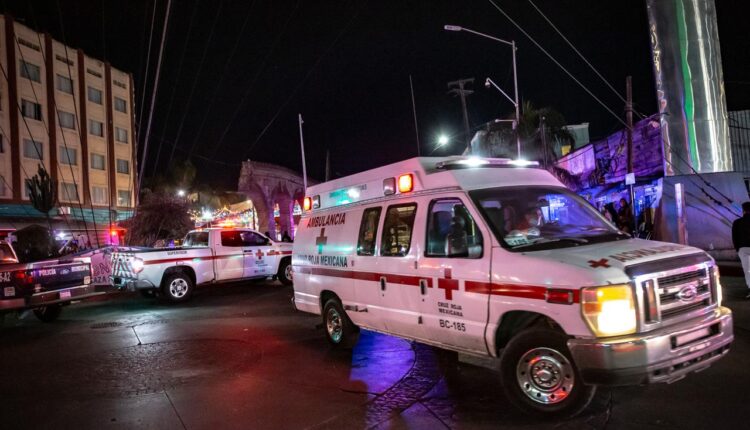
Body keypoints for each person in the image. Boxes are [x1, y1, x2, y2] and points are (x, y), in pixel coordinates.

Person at [732, 202, 750, 298]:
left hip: (743, 248)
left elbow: (734, 238)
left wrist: (737, 249)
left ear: (743, 210)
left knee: (748, 271)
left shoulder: (737, 222)